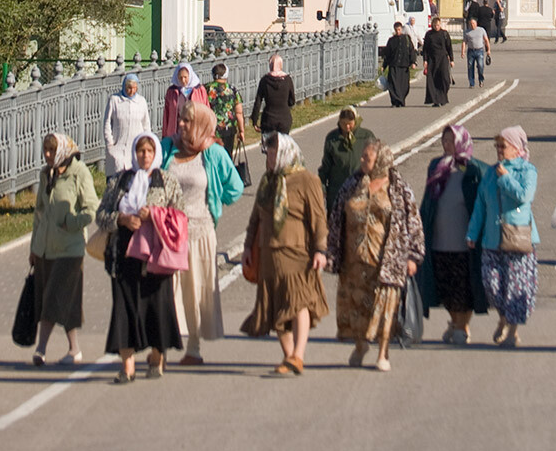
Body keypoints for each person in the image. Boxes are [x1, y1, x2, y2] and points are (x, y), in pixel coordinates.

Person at [328, 140, 424, 372]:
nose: (361, 161)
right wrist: (330, 250)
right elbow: (336, 216)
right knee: (358, 310)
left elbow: (413, 222)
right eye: (362, 157)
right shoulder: (353, 183)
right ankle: (361, 345)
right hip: (354, 263)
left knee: (385, 308)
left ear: (380, 161)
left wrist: (413, 255)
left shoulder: (398, 188)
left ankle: (383, 352)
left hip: (386, 261)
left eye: (367, 158)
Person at [96, 130, 183, 381]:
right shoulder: (120, 181)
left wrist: (154, 216)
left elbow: (179, 216)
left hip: (155, 255)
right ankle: (127, 365)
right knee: (124, 307)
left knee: (157, 305)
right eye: (140, 151)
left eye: (149, 151)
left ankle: (157, 357)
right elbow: (101, 215)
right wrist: (121, 219)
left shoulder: (166, 181)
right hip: (123, 253)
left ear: (156, 154)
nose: (145, 156)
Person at [241, 132, 329, 375]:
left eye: (273, 153)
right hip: (269, 255)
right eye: (268, 153)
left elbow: (319, 219)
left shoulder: (307, 181)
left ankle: (299, 354)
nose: (269, 157)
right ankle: (289, 356)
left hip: (298, 253)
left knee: (298, 302)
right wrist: (248, 247)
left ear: (285, 153)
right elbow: (255, 218)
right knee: (276, 308)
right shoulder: (267, 181)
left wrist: (320, 250)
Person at [162, 103, 244, 365]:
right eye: (181, 120)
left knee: (195, 289)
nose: (182, 124)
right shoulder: (167, 148)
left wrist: (213, 198)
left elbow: (235, 188)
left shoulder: (214, 153)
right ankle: (160, 348)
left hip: (200, 230)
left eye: (187, 121)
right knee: (165, 290)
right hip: (168, 233)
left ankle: (193, 347)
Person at [466, 127, 539, 348]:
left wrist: (506, 178)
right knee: (492, 285)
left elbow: (524, 196)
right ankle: (503, 318)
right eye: (497, 145)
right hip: (491, 239)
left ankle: (512, 331)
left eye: (503, 146)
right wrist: (472, 232)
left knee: (515, 289)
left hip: (518, 238)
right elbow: (481, 204)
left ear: (517, 148)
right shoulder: (490, 172)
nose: (499, 150)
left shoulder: (528, 171)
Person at [29, 133, 96, 367]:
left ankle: (41, 349)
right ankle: (74, 349)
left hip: (71, 248)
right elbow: (39, 212)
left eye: (51, 151)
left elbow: (91, 209)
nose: (47, 155)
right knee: (63, 300)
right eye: (45, 151)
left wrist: (71, 222)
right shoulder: (46, 174)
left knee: (53, 297)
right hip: (46, 248)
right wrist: (33, 247)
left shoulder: (79, 173)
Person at [418, 125, 488, 344]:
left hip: (464, 241)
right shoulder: (435, 167)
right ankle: (455, 322)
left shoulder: (474, 170)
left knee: (463, 288)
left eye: (451, 140)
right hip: (439, 240)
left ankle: (461, 326)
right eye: (444, 140)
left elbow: (482, 204)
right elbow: (428, 201)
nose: (446, 145)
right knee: (445, 288)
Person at [318, 107, 374, 213]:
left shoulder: (366, 136)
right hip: (337, 193)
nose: (347, 127)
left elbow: (375, 163)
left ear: (356, 121)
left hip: (360, 192)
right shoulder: (332, 138)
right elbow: (325, 167)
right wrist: (323, 188)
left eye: (350, 123)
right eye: (343, 123)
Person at [103, 74, 152, 179]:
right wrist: (110, 143)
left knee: (133, 180)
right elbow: (107, 123)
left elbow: (146, 124)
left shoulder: (141, 101)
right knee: (116, 179)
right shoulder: (114, 100)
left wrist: (146, 142)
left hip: (135, 147)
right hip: (117, 146)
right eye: (129, 88)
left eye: (134, 88)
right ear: (124, 87)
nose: (131, 91)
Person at [162, 62, 211, 138]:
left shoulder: (199, 89)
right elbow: (166, 114)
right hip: (176, 133)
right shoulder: (172, 91)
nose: (183, 80)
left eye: (185, 77)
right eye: (180, 77)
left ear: (190, 76)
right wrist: (165, 134)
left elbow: (207, 110)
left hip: (196, 132)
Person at [206, 62, 246, 156]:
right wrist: (241, 131)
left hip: (211, 129)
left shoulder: (206, 89)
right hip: (229, 129)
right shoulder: (232, 89)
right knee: (227, 156)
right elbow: (239, 112)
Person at [250, 53, 296, 134]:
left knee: (269, 145)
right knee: (283, 144)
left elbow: (258, 102)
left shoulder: (265, 80)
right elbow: (292, 101)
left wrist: (254, 120)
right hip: (284, 118)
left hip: (268, 119)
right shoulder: (287, 80)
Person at [381, 23, 417, 107]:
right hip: (394, 65)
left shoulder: (407, 39)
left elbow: (411, 51)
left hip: (404, 66)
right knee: (392, 85)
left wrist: (413, 62)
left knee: (403, 85)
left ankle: (401, 101)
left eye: (399, 30)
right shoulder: (391, 40)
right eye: (396, 30)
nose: (398, 32)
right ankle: (394, 102)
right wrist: (384, 65)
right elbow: (387, 54)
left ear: (402, 29)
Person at [422, 16, 456, 105]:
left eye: (438, 25)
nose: (436, 27)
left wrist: (452, 60)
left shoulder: (444, 34)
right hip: (432, 60)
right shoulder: (429, 35)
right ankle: (436, 100)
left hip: (443, 59)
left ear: (440, 24)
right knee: (433, 80)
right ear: (432, 25)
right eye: (435, 25)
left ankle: (443, 97)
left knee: (445, 79)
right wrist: (425, 60)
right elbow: (425, 48)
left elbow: (449, 47)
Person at [463, 17, 490, 88]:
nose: (472, 25)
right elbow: (464, 42)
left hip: (479, 50)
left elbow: (486, 40)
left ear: (476, 23)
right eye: (471, 24)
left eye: (473, 23)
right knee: (470, 66)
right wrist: (463, 52)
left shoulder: (481, 30)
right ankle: (472, 83)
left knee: (480, 66)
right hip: (471, 51)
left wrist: (488, 50)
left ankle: (481, 80)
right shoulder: (467, 32)